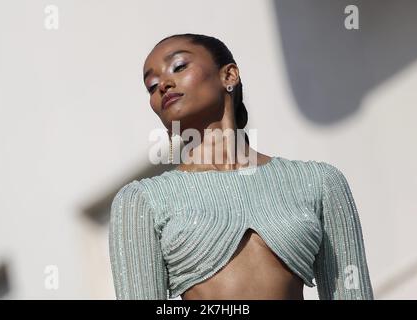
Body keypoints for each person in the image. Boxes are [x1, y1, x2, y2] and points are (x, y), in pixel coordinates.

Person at [108, 33, 374, 300]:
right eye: (152, 86)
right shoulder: (143, 200)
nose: (163, 84)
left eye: (179, 67)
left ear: (229, 75)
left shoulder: (319, 181)